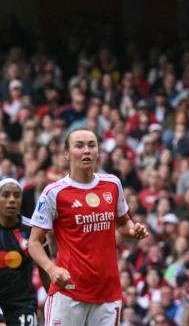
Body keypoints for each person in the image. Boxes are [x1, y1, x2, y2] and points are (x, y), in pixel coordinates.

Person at [28, 128, 150, 325]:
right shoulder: (54, 193)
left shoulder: (112, 184)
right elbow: (34, 242)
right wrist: (51, 268)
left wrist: (132, 229)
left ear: (98, 152)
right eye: (79, 146)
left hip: (108, 294)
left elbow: (123, 223)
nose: (87, 151)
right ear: (66, 153)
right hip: (68, 293)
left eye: (91, 145)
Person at [0, 178, 48, 326]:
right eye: (6, 195)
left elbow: (45, 268)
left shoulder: (33, 231)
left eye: (16, 195)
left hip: (23, 306)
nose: (12, 200)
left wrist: (55, 300)